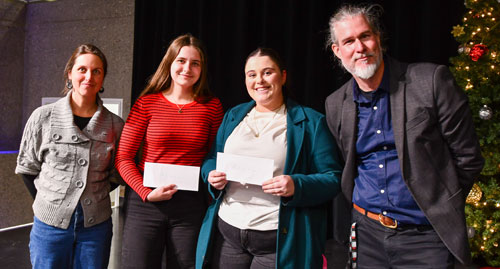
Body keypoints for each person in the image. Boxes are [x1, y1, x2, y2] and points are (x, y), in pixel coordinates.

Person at [324, 4, 485, 268]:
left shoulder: (430, 81)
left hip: (425, 238)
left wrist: (440, 201)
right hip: (367, 236)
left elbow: (469, 157)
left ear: (378, 37)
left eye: (365, 36)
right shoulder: (335, 104)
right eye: (349, 41)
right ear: (338, 51)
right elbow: (347, 164)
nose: (359, 48)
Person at [196, 47, 342, 269]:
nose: (259, 81)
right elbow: (210, 159)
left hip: (276, 240)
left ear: (282, 76)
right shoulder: (233, 116)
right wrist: (211, 175)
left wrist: (296, 185)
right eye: (251, 75)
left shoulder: (311, 122)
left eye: (267, 72)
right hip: (229, 236)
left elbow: (333, 179)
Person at [115, 34, 224, 269]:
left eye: (195, 63)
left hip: (190, 205)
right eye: (181, 60)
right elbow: (123, 158)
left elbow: (215, 157)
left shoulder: (212, 107)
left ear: (202, 69)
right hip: (146, 202)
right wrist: (146, 193)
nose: (187, 68)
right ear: (170, 63)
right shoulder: (146, 104)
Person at [15, 44, 124, 268]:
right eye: (82, 69)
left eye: (97, 71)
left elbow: (116, 174)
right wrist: (52, 202)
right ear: (70, 73)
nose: (89, 76)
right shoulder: (43, 117)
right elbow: (27, 168)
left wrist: (91, 195)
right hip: (49, 227)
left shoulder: (115, 125)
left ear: (103, 78)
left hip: (96, 227)